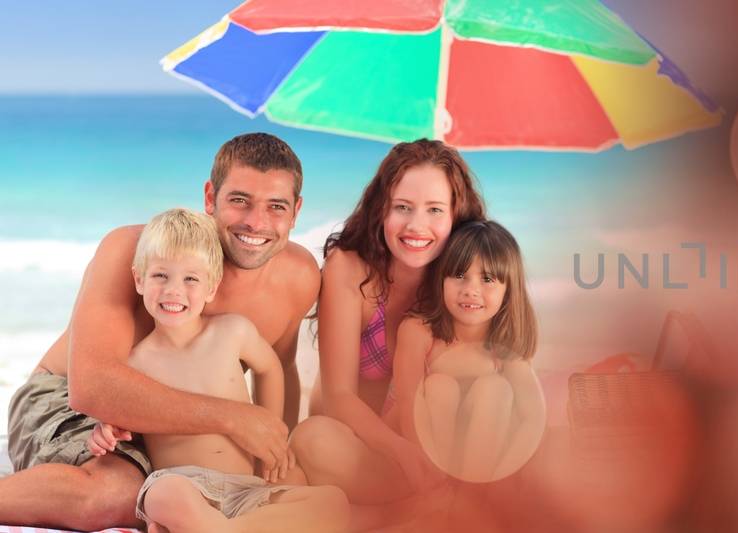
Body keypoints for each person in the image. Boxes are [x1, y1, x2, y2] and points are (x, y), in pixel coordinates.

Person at [0, 132, 320, 531]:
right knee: (117, 493)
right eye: (239, 200)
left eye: (276, 206)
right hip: (69, 398)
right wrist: (235, 419)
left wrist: (274, 452)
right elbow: (91, 387)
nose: (256, 222)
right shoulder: (136, 251)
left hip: (173, 433)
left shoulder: (299, 277)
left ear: (296, 211)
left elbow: (280, 368)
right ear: (210, 197)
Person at [84, 208, 346, 533]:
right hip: (186, 485)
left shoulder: (232, 332)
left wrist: (271, 436)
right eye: (160, 276)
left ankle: (221, 530)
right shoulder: (135, 362)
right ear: (139, 279)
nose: (173, 290)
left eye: (190, 278)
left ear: (211, 287)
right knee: (161, 494)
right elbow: (122, 416)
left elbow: (270, 369)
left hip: (246, 488)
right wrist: (105, 432)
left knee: (333, 502)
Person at [289, 139, 487, 514]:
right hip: (355, 441)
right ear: (382, 209)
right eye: (403, 207)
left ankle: (387, 512)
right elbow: (339, 396)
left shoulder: (463, 280)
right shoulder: (350, 268)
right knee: (312, 438)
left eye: (434, 210)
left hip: (424, 441)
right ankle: (407, 512)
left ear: (456, 215)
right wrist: (405, 454)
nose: (417, 226)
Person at [389, 220, 543, 484]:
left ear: (508, 291)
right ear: (441, 279)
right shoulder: (419, 331)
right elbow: (408, 408)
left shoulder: (503, 347)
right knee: (440, 386)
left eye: (487, 279)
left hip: (478, 464)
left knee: (497, 389)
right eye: (459, 275)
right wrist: (429, 473)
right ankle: (443, 493)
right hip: (415, 454)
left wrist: (500, 477)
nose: (471, 290)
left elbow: (533, 418)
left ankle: (474, 494)